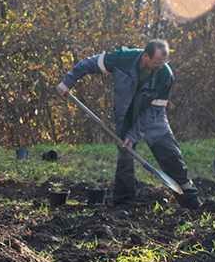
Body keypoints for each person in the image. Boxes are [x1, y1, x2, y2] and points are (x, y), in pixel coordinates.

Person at [56, 40, 199, 207]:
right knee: (125, 154)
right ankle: (124, 201)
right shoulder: (123, 58)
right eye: (156, 63)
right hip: (125, 115)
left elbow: (153, 112)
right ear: (146, 56)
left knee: (169, 152)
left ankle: (189, 197)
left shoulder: (165, 75)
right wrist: (67, 82)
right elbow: (89, 64)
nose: (160, 67)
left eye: (163, 63)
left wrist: (134, 134)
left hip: (152, 116)